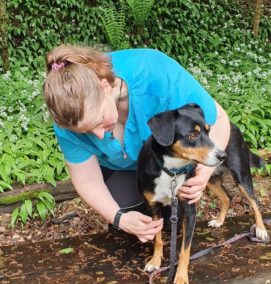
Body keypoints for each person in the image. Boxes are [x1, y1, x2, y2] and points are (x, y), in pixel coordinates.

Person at [43, 45, 230, 243]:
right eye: (85, 132)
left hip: (166, 163)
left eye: (98, 122)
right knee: (131, 231)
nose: (98, 136)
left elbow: (218, 119)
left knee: (171, 222)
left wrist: (204, 172)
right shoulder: (67, 117)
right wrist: (118, 218)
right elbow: (86, 179)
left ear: (105, 87)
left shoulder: (156, 73)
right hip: (120, 169)